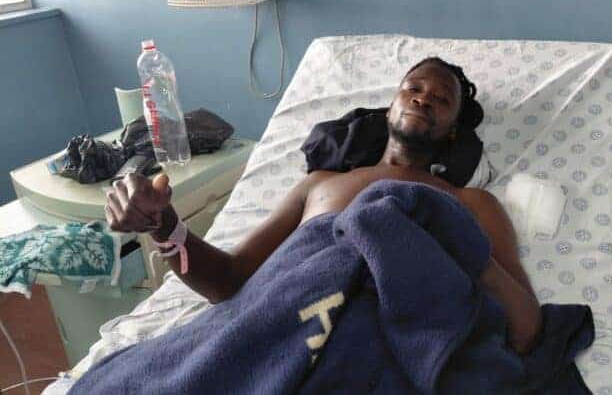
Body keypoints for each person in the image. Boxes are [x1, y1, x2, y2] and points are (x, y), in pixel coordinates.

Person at [105, 57, 543, 355]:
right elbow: (228, 281)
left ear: (452, 131)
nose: (424, 97)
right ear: (389, 105)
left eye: (442, 99)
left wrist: (457, 244)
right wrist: (164, 226)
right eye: (413, 87)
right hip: (283, 332)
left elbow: (525, 328)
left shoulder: (471, 204)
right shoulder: (319, 185)